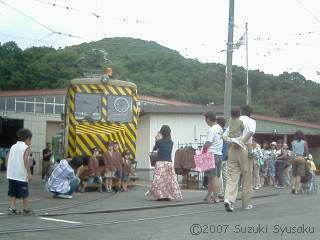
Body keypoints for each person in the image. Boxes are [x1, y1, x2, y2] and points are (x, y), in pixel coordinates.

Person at [224, 105, 256, 212]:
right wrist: (242, 142)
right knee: (247, 177)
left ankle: (229, 200)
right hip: (245, 148)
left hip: (232, 149)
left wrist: (232, 142)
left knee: (232, 176)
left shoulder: (234, 121)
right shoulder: (251, 121)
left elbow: (225, 136)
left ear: (241, 112)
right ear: (250, 113)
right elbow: (250, 132)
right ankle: (245, 203)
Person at [146, 125, 182, 201]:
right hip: (169, 163)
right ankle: (167, 196)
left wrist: (156, 140)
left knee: (158, 180)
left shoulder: (159, 142)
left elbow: (154, 149)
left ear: (162, 132)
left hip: (160, 163)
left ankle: (160, 196)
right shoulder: (171, 142)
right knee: (168, 180)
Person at [6, 128, 33, 215]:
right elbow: (26, 161)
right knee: (24, 193)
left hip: (11, 175)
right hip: (21, 175)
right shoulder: (26, 148)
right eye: (30, 140)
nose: (30, 142)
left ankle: (12, 208)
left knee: (13, 192)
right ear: (27, 138)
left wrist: (9, 170)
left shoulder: (13, 146)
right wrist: (29, 173)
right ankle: (26, 209)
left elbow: (7, 158)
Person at [202, 111, 223, 203]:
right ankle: (208, 195)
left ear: (208, 119)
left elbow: (208, 143)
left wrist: (204, 147)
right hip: (219, 154)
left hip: (211, 155)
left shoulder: (212, 129)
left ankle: (216, 197)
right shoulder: (220, 128)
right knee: (213, 177)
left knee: (213, 177)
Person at [291, 130, 309, 195]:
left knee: (294, 174)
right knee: (299, 175)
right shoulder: (304, 142)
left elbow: (293, 152)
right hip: (301, 158)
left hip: (294, 158)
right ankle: (296, 190)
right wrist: (307, 158)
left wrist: (292, 159)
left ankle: (293, 187)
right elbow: (307, 152)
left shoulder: (293, 142)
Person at [217, 117, 228, 198]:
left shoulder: (219, 132)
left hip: (220, 155)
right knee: (225, 175)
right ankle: (226, 192)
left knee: (219, 175)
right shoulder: (227, 131)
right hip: (227, 156)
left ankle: (220, 192)